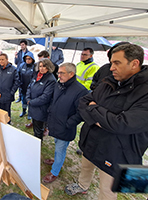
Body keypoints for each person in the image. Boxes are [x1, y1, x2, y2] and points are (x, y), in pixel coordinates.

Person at [65, 44, 148, 200]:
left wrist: (95, 111)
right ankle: (83, 185)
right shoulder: (109, 80)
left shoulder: (144, 91)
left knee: (107, 190)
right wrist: (102, 119)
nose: (111, 68)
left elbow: (122, 124)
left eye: (117, 63)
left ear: (135, 63)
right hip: (92, 141)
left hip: (119, 152)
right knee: (85, 167)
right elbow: (83, 102)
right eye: (111, 63)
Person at [42, 63, 88, 183]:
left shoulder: (81, 91)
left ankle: (54, 172)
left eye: (62, 73)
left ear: (71, 74)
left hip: (65, 127)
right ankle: (57, 160)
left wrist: (68, 123)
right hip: (55, 123)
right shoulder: (59, 84)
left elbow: (81, 113)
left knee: (60, 149)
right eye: (58, 73)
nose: (59, 75)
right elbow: (54, 100)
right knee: (57, 146)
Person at [26, 58, 56, 140]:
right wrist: (28, 98)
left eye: (44, 66)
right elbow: (29, 86)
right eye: (40, 66)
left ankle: (38, 145)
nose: (41, 68)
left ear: (48, 67)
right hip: (33, 106)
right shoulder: (37, 75)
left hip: (41, 109)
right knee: (35, 126)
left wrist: (31, 102)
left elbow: (45, 97)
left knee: (39, 129)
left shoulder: (51, 79)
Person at [0, 53, 19, 122]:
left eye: (3, 59)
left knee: (6, 113)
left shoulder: (13, 69)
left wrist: (11, 92)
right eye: (0, 60)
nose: (1, 61)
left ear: (7, 59)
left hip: (8, 96)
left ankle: (8, 125)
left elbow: (17, 82)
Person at [17, 52, 35, 118]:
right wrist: (19, 84)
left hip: (31, 89)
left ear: (32, 59)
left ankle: (30, 113)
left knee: (30, 101)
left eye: (29, 59)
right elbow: (17, 75)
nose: (28, 60)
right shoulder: (22, 66)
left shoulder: (35, 67)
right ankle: (24, 111)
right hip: (23, 87)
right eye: (26, 58)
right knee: (23, 100)